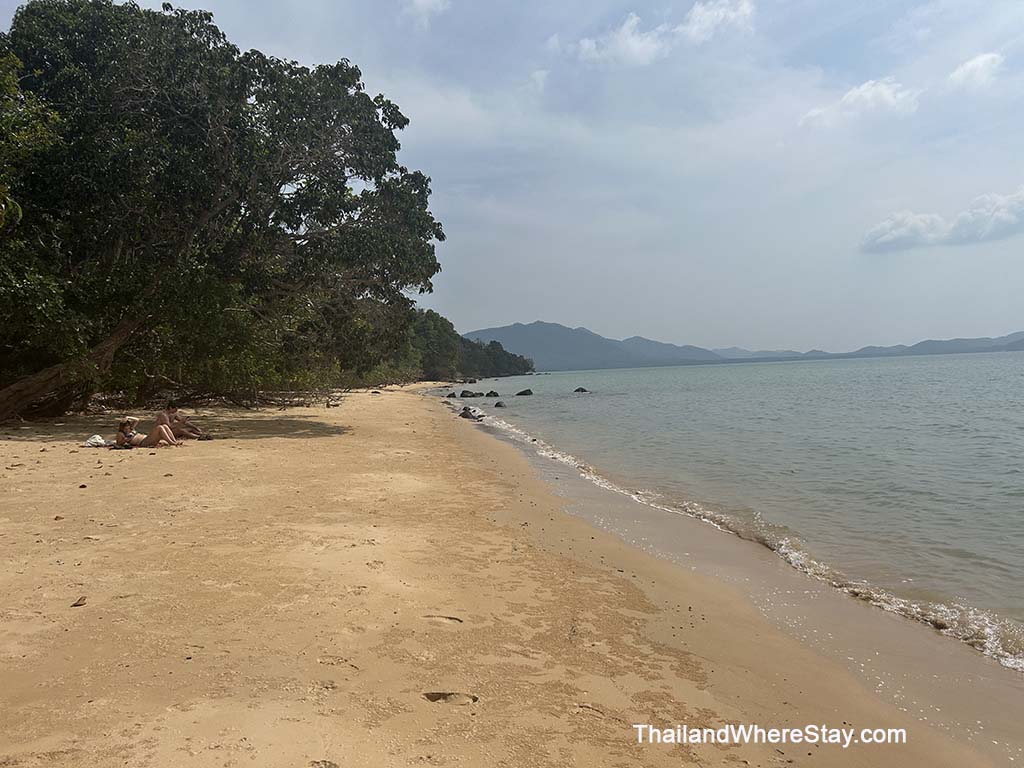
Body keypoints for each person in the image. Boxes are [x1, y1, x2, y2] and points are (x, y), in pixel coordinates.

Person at [115, 416, 181, 448]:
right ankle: (171, 443)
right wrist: (126, 440)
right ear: (122, 427)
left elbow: (137, 420)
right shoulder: (121, 433)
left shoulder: (131, 429)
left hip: (147, 439)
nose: (127, 427)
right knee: (159, 428)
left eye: (128, 426)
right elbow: (119, 443)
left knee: (164, 426)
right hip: (143, 443)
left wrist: (128, 417)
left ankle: (174, 441)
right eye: (125, 426)